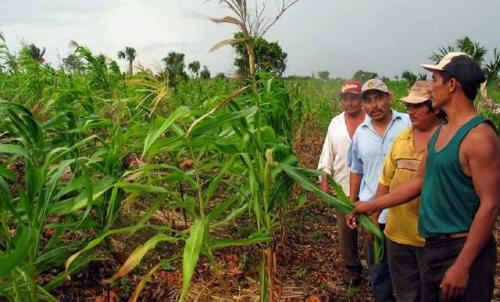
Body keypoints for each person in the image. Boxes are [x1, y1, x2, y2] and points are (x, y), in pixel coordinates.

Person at [348, 52, 499, 301]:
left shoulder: (479, 136)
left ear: (452, 85)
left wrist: (462, 265)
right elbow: (418, 182)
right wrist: (370, 206)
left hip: (461, 248)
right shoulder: (441, 134)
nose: (430, 86)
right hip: (433, 248)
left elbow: (491, 205)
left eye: (434, 79)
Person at [375, 81, 444, 301]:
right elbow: (385, 180)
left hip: (433, 239)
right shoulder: (402, 138)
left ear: (436, 107)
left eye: (418, 106)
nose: (411, 112)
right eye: (409, 106)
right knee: (406, 294)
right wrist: (375, 217)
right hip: (398, 235)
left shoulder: (447, 139)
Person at [347, 79, 411, 302]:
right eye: (368, 100)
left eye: (378, 98)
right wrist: (351, 203)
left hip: (405, 211)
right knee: (378, 269)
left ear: (389, 98)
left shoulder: (408, 123)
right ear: (363, 105)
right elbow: (356, 170)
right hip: (371, 214)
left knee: (406, 269)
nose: (374, 105)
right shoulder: (361, 133)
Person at [317, 80, 366, 286]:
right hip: (342, 188)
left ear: (361, 99)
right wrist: (324, 179)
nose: (349, 102)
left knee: (373, 231)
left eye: (354, 98)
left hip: (370, 188)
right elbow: (327, 153)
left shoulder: (371, 121)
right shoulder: (335, 123)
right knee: (346, 232)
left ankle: (377, 268)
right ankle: (353, 269)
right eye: (345, 98)